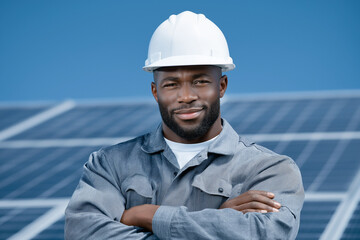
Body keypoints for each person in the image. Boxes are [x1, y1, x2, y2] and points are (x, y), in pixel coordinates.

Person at [65, 11, 304, 239]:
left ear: (221, 86)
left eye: (200, 81)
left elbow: (268, 234)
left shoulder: (269, 169)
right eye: (171, 84)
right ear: (155, 91)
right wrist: (217, 222)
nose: (186, 96)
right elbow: (83, 233)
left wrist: (145, 215)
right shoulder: (109, 165)